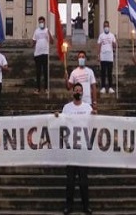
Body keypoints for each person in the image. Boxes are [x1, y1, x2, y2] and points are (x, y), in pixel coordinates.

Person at [57, 82, 94, 215]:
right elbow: (62, 123)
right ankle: (68, 205)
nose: (78, 92)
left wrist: (96, 116)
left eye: (80, 90)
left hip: (83, 147)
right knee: (70, 179)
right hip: (70, 147)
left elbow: (92, 124)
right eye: (76, 90)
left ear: (82, 93)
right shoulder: (67, 108)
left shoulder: (88, 107)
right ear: (72, 92)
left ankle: (86, 206)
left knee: (84, 179)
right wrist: (56, 117)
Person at [32, 16, 53, 94]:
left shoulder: (47, 30)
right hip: (37, 53)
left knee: (45, 71)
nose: (41, 23)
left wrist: (49, 34)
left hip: (45, 53)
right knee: (38, 72)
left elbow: (52, 41)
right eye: (40, 22)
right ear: (39, 23)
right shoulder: (36, 31)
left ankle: (46, 88)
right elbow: (34, 41)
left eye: (42, 22)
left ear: (44, 22)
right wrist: (31, 45)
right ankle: (38, 88)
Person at [97, 20, 117, 94]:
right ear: (103, 27)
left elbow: (115, 46)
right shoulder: (101, 36)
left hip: (110, 57)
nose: (106, 27)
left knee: (109, 72)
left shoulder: (112, 35)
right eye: (105, 26)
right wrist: (98, 55)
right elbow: (99, 46)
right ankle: (103, 87)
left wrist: (115, 43)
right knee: (103, 72)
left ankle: (110, 87)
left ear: (109, 27)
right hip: (103, 56)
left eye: (107, 26)